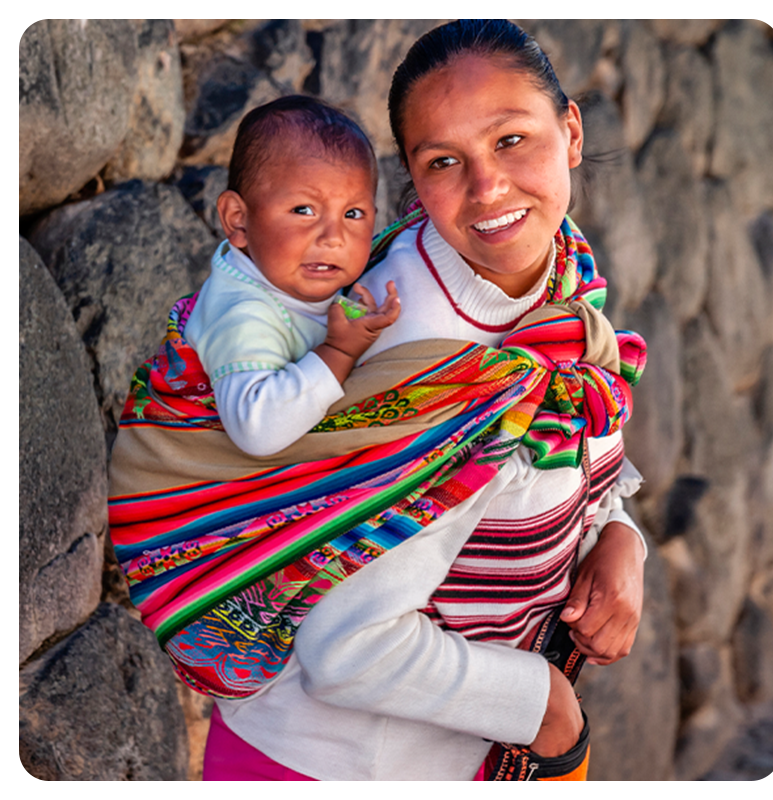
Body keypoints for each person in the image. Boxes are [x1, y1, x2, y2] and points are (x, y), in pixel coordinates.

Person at [201, 18, 646, 783]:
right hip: (337, 765)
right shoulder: (428, 360)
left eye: (512, 140)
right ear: (413, 174)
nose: (488, 188)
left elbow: (563, 452)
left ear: (570, 130)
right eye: (446, 161)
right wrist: (543, 704)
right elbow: (345, 650)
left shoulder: (553, 272)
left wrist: (620, 540)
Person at [183, 95, 400, 457]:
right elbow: (258, 430)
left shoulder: (287, 280)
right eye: (304, 210)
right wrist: (339, 350)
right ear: (238, 219)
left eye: (353, 214)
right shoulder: (243, 313)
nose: (333, 237)